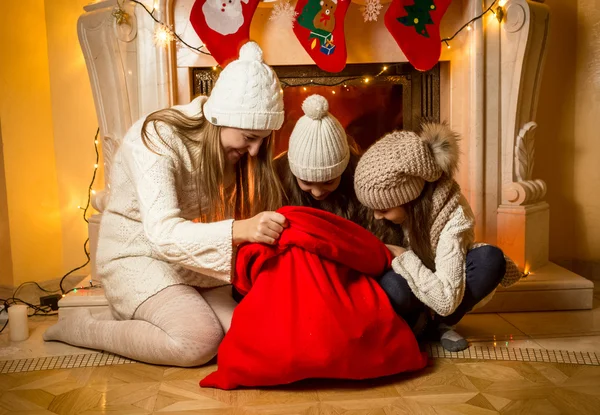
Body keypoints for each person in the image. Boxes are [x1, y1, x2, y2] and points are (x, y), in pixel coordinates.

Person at [44, 41, 288, 366]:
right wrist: (242, 230)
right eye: (248, 137)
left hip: (193, 262)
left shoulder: (231, 150)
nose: (255, 151)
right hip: (137, 255)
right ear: (219, 118)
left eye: (263, 139)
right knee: (199, 341)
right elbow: (162, 233)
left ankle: (167, 312)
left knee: (245, 334)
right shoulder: (157, 138)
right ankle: (83, 328)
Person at [354, 123, 522, 351]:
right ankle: (419, 323)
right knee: (393, 286)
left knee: (489, 260)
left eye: (384, 209)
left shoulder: (453, 214)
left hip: (442, 286)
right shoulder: (379, 211)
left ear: (410, 200)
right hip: (411, 286)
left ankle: (438, 325)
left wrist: (402, 254)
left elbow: (445, 300)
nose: (376, 216)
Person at [274, 94, 402, 246]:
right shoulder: (278, 179)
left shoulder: (361, 179)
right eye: (306, 182)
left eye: (328, 182)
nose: (317, 192)